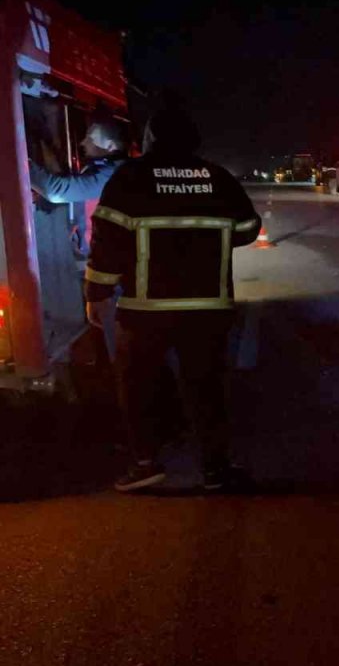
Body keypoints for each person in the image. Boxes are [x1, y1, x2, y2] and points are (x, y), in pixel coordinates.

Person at [83, 100, 262, 493]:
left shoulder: (131, 177)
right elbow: (248, 228)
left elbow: (108, 238)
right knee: (207, 388)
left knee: (139, 387)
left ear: (150, 138)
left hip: (145, 310)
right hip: (207, 308)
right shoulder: (217, 177)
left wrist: (97, 293)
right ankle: (216, 469)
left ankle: (145, 464)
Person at [29, 117, 130, 256]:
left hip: (99, 257)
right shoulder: (104, 170)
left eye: (90, 138)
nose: (84, 142)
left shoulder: (110, 175)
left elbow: (55, 191)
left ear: (111, 146)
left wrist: (17, 159)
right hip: (91, 252)